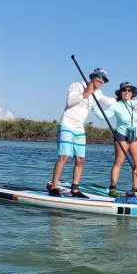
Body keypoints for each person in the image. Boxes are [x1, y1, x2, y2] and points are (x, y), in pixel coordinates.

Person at [49, 68, 115, 197]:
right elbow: (70, 101)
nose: (101, 80)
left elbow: (109, 101)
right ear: (93, 76)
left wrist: (123, 98)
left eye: (104, 79)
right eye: (100, 77)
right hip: (67, 124)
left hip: (79, 128)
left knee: (81, 160)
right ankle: (54, 186)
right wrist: (86, 93)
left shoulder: (98, 93)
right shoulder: (77, 85)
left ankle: (75, 189)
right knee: (65, 156)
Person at [93, 81, 137, 197]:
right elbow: (103, 116)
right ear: (120, 92)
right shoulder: (116, 105)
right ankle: (112, 189)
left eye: (129, 90)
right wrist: (93, 105)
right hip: (121, 135)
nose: (126, 92)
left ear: (132, 93)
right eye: (124, 90)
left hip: (134, 136)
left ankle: (135, 189)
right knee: (119, 162)